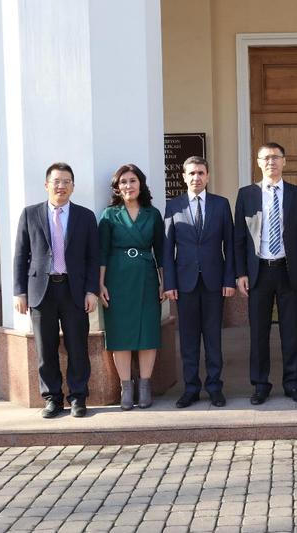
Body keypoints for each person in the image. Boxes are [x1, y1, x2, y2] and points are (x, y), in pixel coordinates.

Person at [13, 162, 100, 418]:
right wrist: (19, 292)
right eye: (56, 181)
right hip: (41, 291)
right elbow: (20, 255)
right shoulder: (30, 214)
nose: (61, 186)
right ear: (46, 185)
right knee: (45, 348)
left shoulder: (85, 216)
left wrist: (91, 290)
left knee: (78, 347)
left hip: (74, 291)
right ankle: (52, 398)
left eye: (66, 182)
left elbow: (93, 257)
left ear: (73, 186)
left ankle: (78, 397)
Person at [235, 142, 297, 405]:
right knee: (258, 333)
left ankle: (292, 383)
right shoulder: (246, 194)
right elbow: (239, 238)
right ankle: (260, 385)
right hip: (258, 272)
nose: (271, 162)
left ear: (284, 161)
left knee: (291, 333)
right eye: (266, 158)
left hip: (288, 272)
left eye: (276, 157)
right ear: (258, 162)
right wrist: (240, 273)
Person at [163, 156, 236, 409]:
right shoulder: (173, 206)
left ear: (208, 176)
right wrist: (169, 283)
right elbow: (167, 249)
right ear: (184, 177)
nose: (196, 178)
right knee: (189, 340)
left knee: (213, 338)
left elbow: (230, 245)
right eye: (192, 173)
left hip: (215, 282)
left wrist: (229, 279)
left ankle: (215, 388)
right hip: (185, 284)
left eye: (201, 173)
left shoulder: (221, 204)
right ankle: (191, 389)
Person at [98, 164, 165, 410]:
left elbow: (161, 250)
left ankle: (145, 386)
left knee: (148, 331)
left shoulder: (152, 214)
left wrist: (164, 282)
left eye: (133, 181)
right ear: (117, 187)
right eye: (123, 182)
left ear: (141, 184)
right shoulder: (109, 215)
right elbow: (101, 252)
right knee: (120, 333)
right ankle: (126, 387)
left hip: (146, 277)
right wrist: (100, 283)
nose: (128, 186)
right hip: (117, 279)